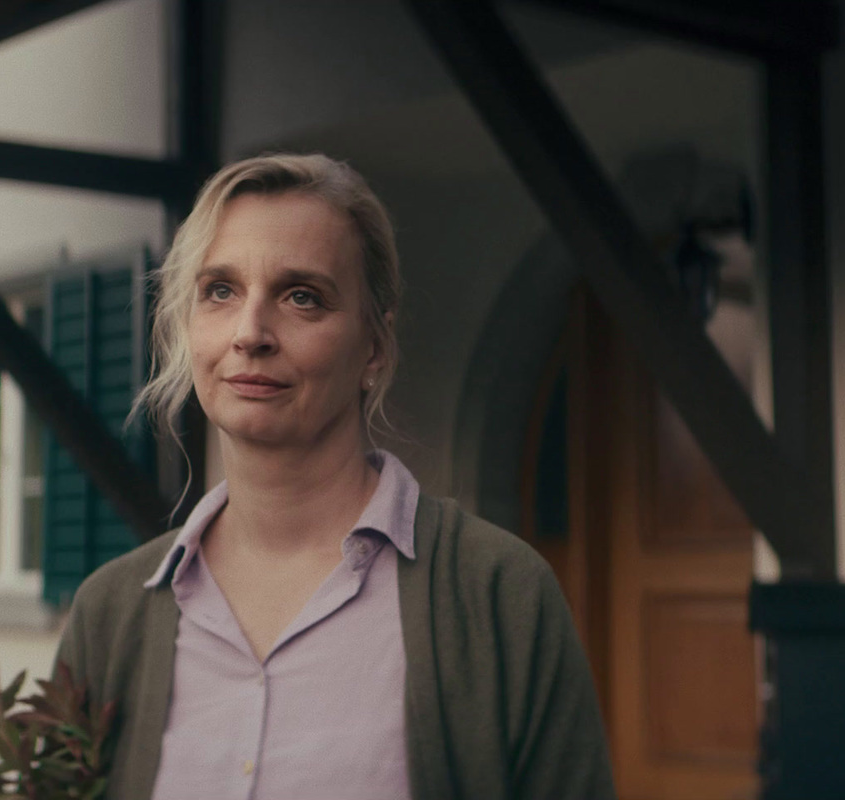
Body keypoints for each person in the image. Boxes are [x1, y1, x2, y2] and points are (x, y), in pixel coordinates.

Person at [55, 153, 615, 800]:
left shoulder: (500, 596)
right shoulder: (109, 615)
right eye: (220, 291)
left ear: (373, 347)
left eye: (302, 297)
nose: (250, 332)